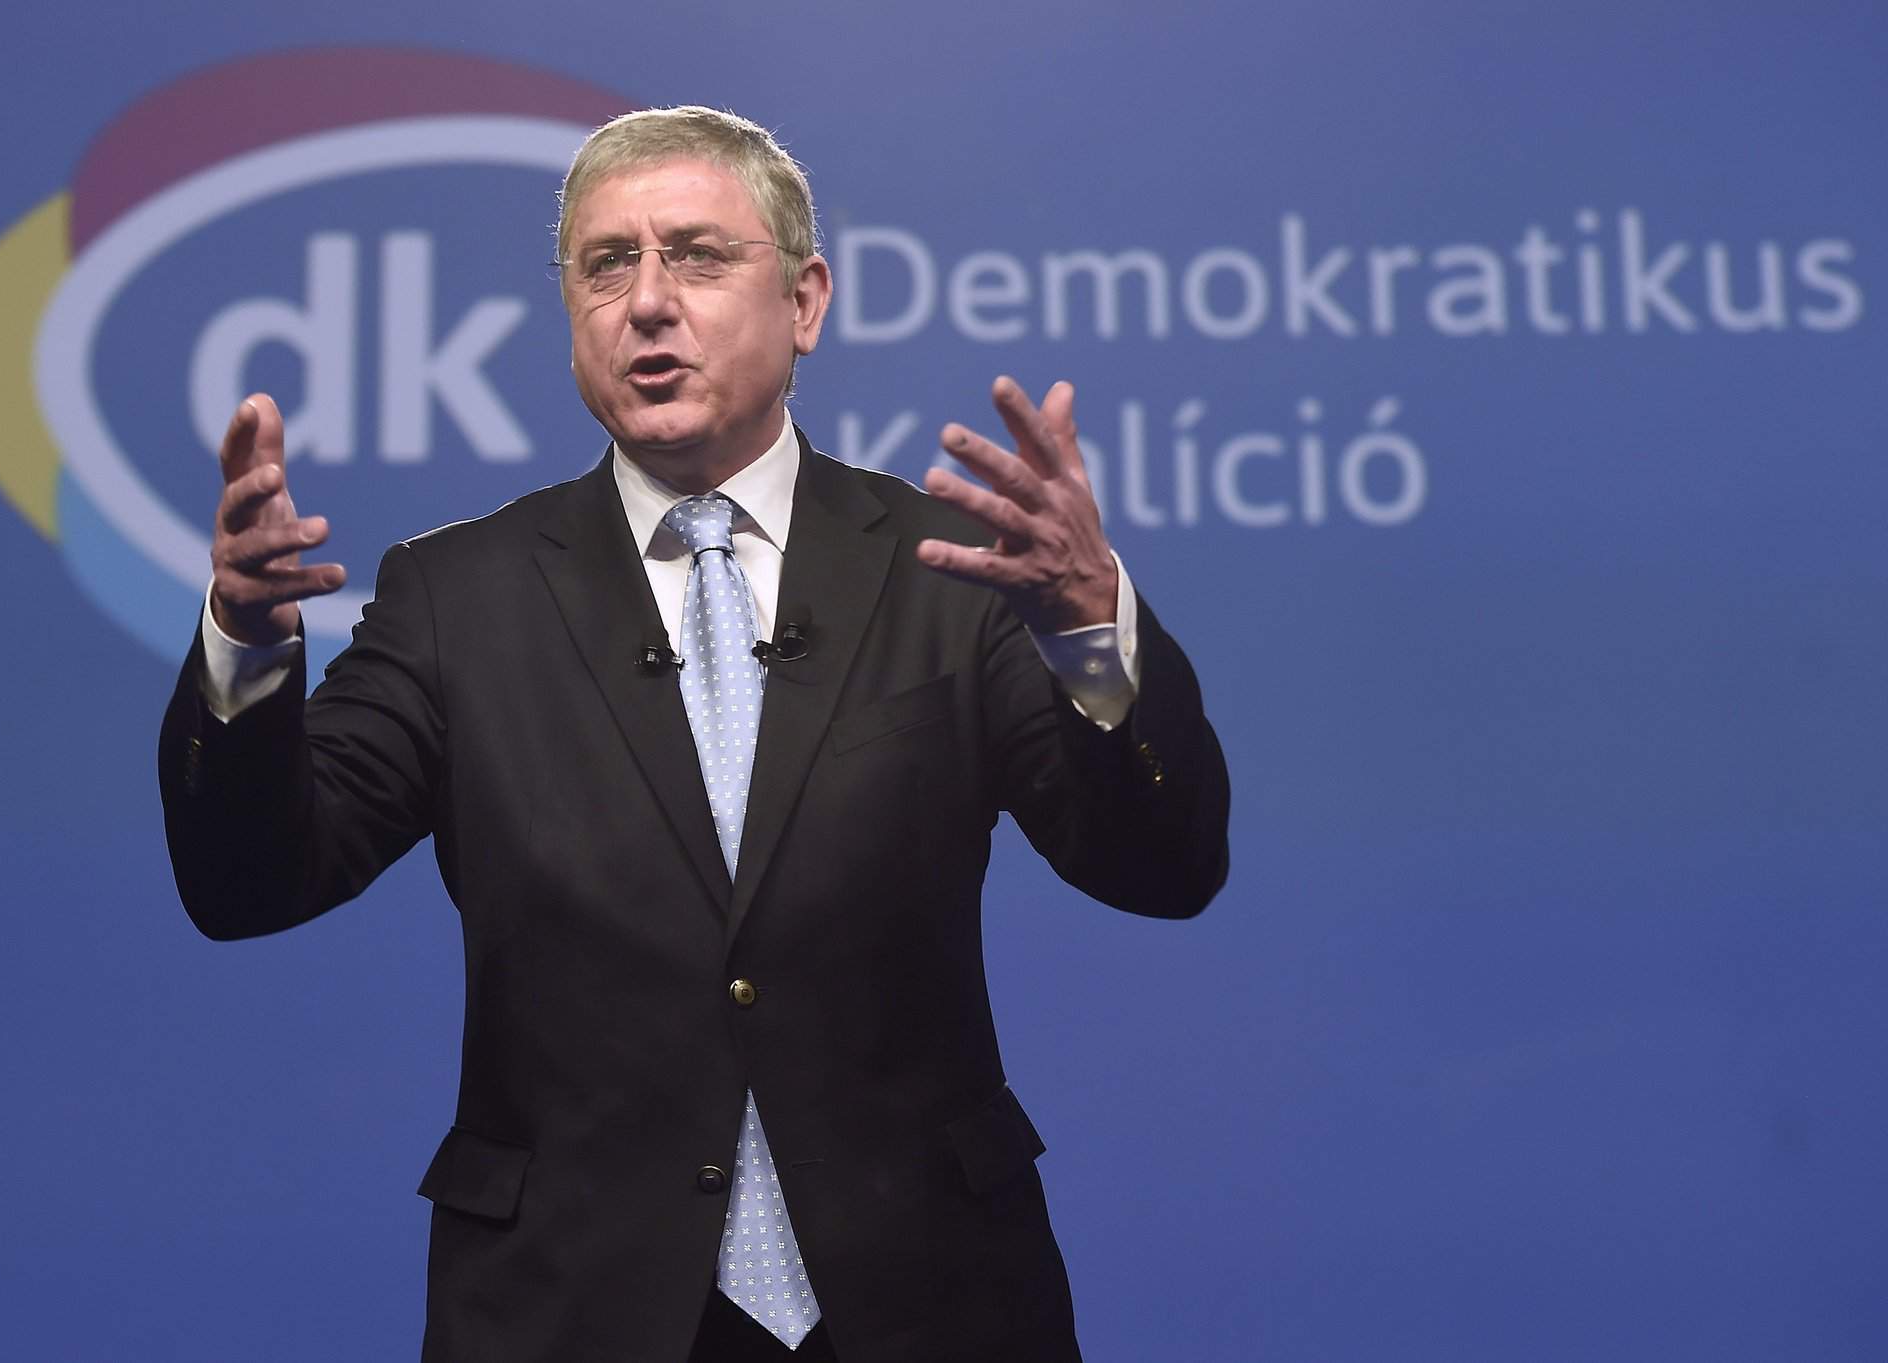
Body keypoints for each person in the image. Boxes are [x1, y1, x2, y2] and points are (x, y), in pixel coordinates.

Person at [159, 105, 1230, 1363]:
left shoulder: (955, 574)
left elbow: (1161, 865)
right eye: (606, 265)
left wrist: (1091, 626)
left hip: (923, 1299)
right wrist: (244, 646)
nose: (647, 302)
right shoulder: (457, 597)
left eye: (698, 256)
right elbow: (251, 881)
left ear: (804, 302)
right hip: (574, 1309)